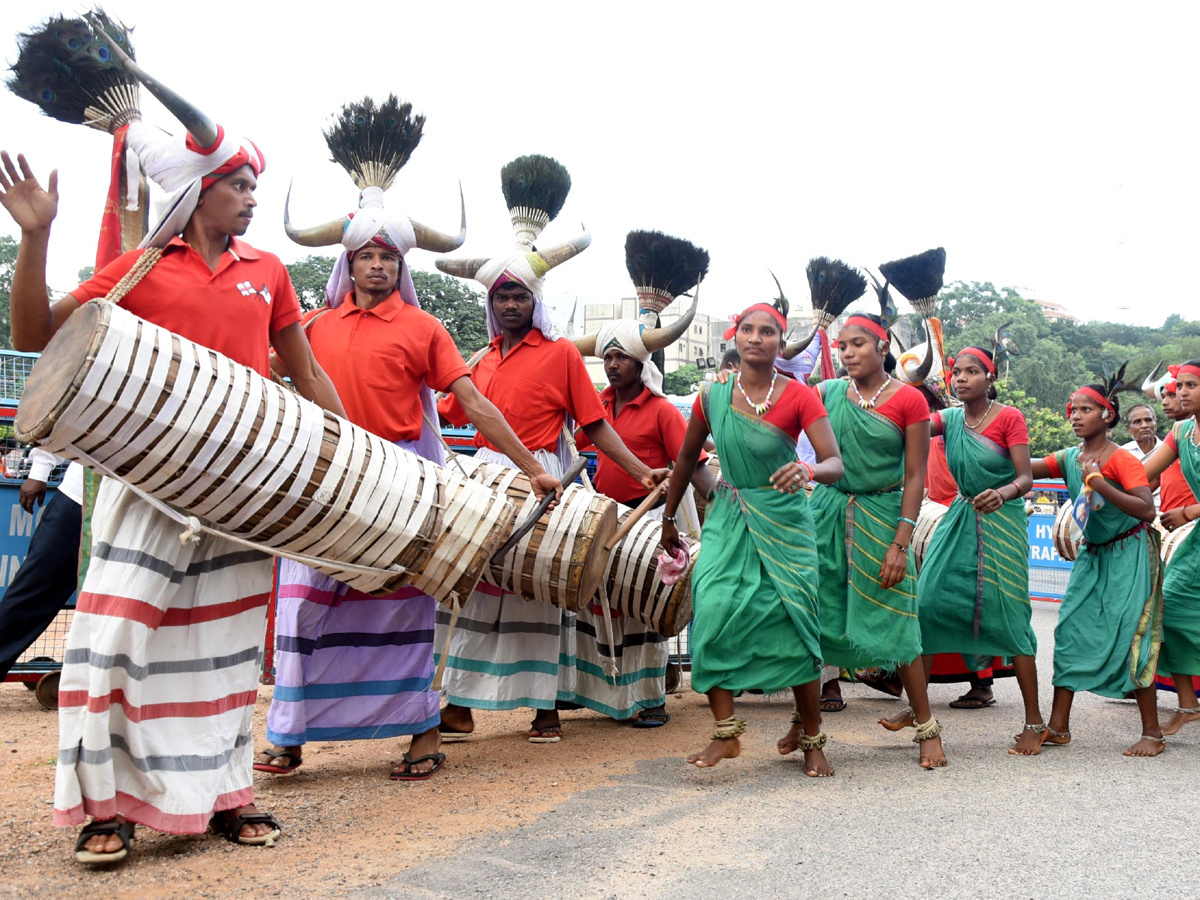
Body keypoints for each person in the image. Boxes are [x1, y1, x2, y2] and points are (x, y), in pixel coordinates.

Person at [0, 60, 344, 863]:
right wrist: (38, 236)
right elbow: (33, 336)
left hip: (241, 489)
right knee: (111, 642)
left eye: (254, 184)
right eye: (239, 184)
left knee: (219, 655)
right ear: (197, 192)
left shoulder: (270, 273)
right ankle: (105, 809)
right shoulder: (142, 267)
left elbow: (306, 372)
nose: (252, 197)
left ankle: (227, 795)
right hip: (144, 488)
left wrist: (347, 451)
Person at [258, 205, 561, 780]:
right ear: (348, 265)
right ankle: (288, 737)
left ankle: (423, 736)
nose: (377, 267)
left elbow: (472, 405)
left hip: (399, 489)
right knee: (299, 611)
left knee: (403, 614)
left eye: (388, 258)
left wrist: (530, 468)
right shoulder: (315, 326)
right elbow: (268, 370)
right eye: (367, 257)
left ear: (402, 268)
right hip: (321, 487)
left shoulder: (425, 329)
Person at [435, 160, 666, 743]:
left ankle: (545, 710)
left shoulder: (562, 352)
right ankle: (458, 706)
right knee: (471, 591)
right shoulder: (479, 361)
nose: (510, 304)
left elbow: (594, 426)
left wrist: (643, 472)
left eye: (519, 295)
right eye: (502, 296)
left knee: (543, 594)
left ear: (534, 301)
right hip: (483, 484)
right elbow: (442, 415)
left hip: (547, 482)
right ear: (492, 304)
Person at [660, 301, 844, 775]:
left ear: (780, 343)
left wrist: (807, 468)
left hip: (786, 521)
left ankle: (811, 737)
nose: (756, 338)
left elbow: (834, 463)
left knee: (795, 623)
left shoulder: (801, 396)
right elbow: (685, 460)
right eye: (747, 329)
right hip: (729, 514)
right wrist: (668, 519)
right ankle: (727, 734)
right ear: (733, 336)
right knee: (714, 605)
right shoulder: (711, 394)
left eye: (767, 332)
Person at [808, 312, 947, 769]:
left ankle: (927, 727)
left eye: (857, 344)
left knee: (899, 618)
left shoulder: (908, 401)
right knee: (817, 616)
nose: (847, 352)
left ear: (882, 348)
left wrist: (900, 543)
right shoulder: (827, 394)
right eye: (842, 345)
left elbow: (914, 477)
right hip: (826, 513)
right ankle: (806, 730)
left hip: (885, 517)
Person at [574, 320, 714, 725]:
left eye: (622, 358)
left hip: (650, 519)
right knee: (598, 607)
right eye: (608, 358)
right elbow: (575, 442)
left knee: (643, 611)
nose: (613, 365)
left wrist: (725, 504)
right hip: (603, 517)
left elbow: (696, 467)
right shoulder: (596, 408)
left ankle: (651, 698)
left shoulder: (663, 411)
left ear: (641, 364)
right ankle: (600, 693)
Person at [913, 346, 1044, 755]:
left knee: (1010, 615)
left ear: (990, 379)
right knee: (928, 603)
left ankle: (1034, 721)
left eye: (973, 372)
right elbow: (909, 423)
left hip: (1002, 520)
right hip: (959, 518)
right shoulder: (949, 419)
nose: (962, 378)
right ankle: (918, 712)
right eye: (956, 372)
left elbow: (1025, 477)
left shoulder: (1009, 417)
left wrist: (1003, 492)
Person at [1030, 378, 1162, 756]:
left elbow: (1145, 509)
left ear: (1108, 416)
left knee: (1131, 637)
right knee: (1070, 631)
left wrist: (1099, 483)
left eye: (1085, 410)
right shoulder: (1068, 457)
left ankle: (1152, 733)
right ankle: (1058, 727)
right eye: (1073, 410)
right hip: (1093, 555)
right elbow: (1029, 467)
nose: (1076, 417)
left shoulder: (1123, 458)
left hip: (1130, 553)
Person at [1142, 360, 1200, 736]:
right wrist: (1097, 474)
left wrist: (1189, 511)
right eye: (1179, 385)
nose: (1181, 392)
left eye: (1191, 385)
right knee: (1173, 609)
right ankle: (1188, 705)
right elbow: (1141, 472)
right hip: (1196, 543)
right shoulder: (1181, 431)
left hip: (1192, 522)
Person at [0, 454, 82, 680]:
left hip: (141, 510)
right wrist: (39, 470)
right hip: (80, 499)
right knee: (33, 589)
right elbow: (66, 420)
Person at [1121, 403, 1163, 507]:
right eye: (1137, 422)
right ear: (1129, 429)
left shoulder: (1169, 451)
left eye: (1148, 420)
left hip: (1167, 510)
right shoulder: (1122, 453)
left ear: (1155, 425)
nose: (1144, 426)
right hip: (1134, 511)